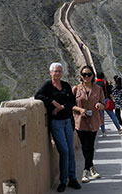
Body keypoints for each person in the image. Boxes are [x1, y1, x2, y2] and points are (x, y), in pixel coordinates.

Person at [34, 62, 81, 192]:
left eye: (59, 71)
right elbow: (38, 96)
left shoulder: (65, 85)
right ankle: (63, 181)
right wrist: (52, 102)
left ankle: (73, 179)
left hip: (68, 121)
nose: (57, 73)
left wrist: (62, 107)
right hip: (56, 123)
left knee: (70, 151)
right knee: (64, 151)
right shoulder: (47, 86)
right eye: (55, 71)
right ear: (50, 73)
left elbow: (72, 101)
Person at [72, 65, 106, 183]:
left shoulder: (98, 89)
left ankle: (86, 170)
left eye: (89, 74)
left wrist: (100, 105)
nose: (87, 77)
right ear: (81, 76)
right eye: (84, 74)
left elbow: (103, 103)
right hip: (80, 121)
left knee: (90, 145)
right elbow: (71, 104)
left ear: (93, 76)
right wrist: (80, 110)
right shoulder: (76, 89)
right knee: (85, 145)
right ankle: (91, 168)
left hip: (94, 121)